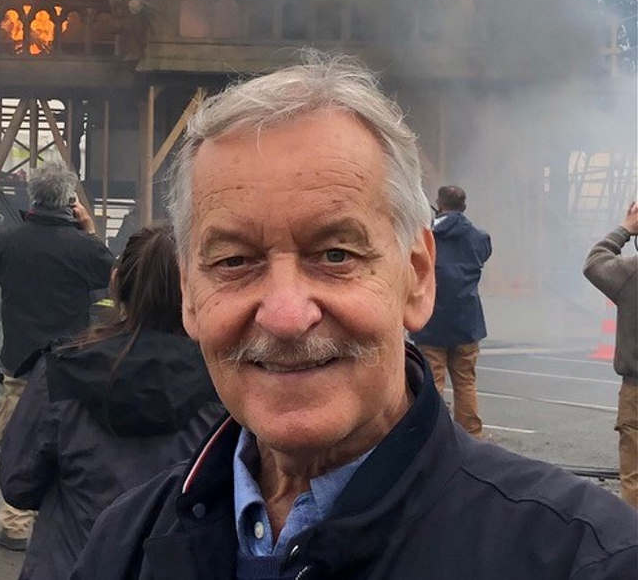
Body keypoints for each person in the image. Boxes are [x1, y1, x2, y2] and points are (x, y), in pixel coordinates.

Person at [72, 56, 637, 579]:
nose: (287, 316)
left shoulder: (585, 558)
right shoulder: (124, 543)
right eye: (234, 261)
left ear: (417, 276)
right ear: (190, 297)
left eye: (336, 254)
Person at [0, 224, 222, 580]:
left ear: (117, 282)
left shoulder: (62, 370)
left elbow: (18, 483)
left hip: (69, 563)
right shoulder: (223, 382)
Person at [0, 162, 115, 551]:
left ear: (33, 197)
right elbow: (111, 278)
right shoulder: (83, 247)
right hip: (69, 363)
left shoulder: (7, 240)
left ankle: (15, 524)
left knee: (16, 438)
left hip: (20, 357)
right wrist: (90, 231)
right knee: (69, 440)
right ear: (70, 201)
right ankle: (58, 520)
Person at [412, 185, 493, 437]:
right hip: (467, 321)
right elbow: (483, 255)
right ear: (464, 207)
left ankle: (436, 436)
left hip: (432, 320)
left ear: (439, 204)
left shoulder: (426, 236)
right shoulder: (479, 237)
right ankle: (471, 436)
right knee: (466, 382)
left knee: (434, 383)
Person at [583, 202, 638, 508]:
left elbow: (595, 263)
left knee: (635, 479)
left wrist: (626, 228)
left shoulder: (631, 273)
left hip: (636, 389)